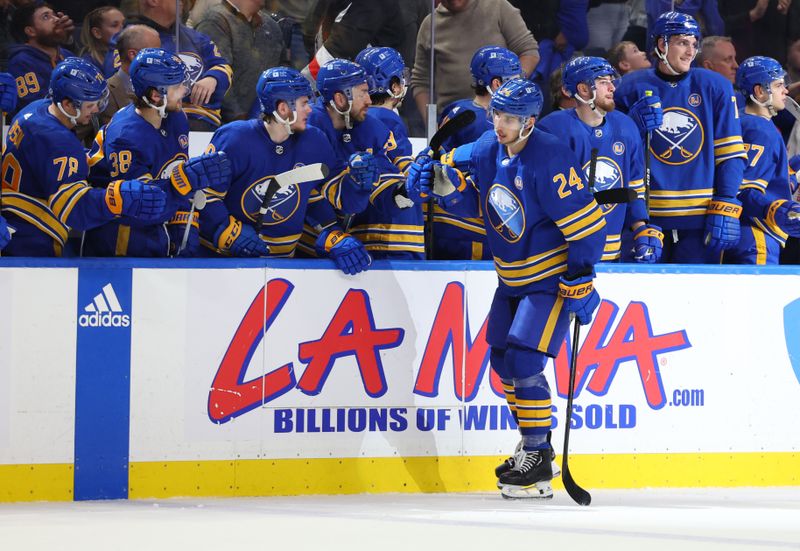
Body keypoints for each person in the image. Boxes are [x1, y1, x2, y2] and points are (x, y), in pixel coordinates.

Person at [406, 79, 607, 498]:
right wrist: (431, 172)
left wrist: (582, 277)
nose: (500, 124)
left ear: (530, 121)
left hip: (548, 281)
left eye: (511, 118)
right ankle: (537, 449)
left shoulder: (549, 157)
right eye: (497, 114)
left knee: (523, 359)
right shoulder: (486, 147)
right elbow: (453, 168)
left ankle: (536, 453)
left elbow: (587, 226)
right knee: (501, 360)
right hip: (509, 278)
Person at [200, 66, 371, 274]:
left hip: (285, 266)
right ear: (283, 108)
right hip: (222, 266)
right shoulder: (235, 139)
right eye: (304, 103)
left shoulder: (314, 141)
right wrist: (227, 231)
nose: (310, 109)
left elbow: (329, 198)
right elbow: (203, 196)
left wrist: (358, 185)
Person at [614, 11, 747, 263]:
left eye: (694, 44)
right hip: (647, 219)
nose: (690, 51)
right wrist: (630, 126)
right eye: (683, 43)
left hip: (702, 217)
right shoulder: (629, 87)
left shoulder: (714, 86)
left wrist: (727, 200)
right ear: (661, 44)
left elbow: (730, 153)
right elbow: (614, 154)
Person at [0, 57, 167, 257]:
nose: (96, 110)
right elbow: (73, 209)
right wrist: (116, 199)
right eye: (90, 105)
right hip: (32, 233)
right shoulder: (58, 142)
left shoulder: (36, 108)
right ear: (68, 105)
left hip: (13, 213)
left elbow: (45, 160)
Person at [85, 48, 230, 257]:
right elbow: (141, 206)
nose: (186, 91)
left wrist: (182, 223)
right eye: (179, 86)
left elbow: (175, 171)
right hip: (119, 235)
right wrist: (184, 181)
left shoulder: (176, 117)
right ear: (156, 95)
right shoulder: (125, 136)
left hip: (157, 226)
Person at [538, 56, 661, 263]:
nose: (612, 87)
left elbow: (634, 189)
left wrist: (641, 228)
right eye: (603, 82)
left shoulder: (626, 126)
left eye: (612, 81)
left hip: (611, 250)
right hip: (561, 254)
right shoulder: (553, 129)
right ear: (583, 89)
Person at [303, 58, 420, 259]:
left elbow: (387, 176)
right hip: (306, 237)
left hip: (342, 236)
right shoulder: (310, 128)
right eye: (363, 93)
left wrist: (406, 191)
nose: (368, 100)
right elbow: (301, 192)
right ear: (340, 99)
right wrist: (330, 232)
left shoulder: (370, 127)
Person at [429, 46, 523, 261]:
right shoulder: (477, 119)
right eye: (514, 79)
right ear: (497, 83)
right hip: (467, 226)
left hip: (466, 221)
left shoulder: (459, 110)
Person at [411, 0, 539, 123]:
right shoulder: (430, 25)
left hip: (500, 117)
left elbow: (529, 53)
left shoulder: (498, 7)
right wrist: (432, 126)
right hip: (452, 121)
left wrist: (509, 91)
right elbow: (421, 82)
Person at [724, 57, 800, 265]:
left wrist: (795, 167)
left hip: (740, 231)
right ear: (759, 92)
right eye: (778, 85)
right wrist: (778, 210)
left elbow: (769, 180)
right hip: (755, 233)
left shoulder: (746, 123)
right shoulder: (761, 130)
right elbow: (744, 189)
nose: (785, 91)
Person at [115, 0, 233, 131]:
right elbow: (123, 84)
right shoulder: (132, 39)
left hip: (204, 122)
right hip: (155, 122)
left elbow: (223, 66)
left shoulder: (197, 38)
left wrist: (213, 78)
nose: (182, 1)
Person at [194, 0, 286, 123]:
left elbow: (283, 70)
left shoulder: (271, 26)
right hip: (227, 125)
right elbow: (220, 77)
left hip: (269, 121)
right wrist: (240, 121)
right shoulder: (215, 22)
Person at [7, 3, 74, 115]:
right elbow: (38, 110)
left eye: (54, 14)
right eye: (46, 17)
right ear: (30, 31)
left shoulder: (67, 55)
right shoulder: (21, 62)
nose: (56, 19)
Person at [99, 24, 161, 127]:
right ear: (133, 55)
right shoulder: (105, 93)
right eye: (155, 52)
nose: (160, 58)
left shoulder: (163, 88)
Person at [79, 6, 125, 78]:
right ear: (97, 33)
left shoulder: (131, 52)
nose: (123, 29)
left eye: (124, 24)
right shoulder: (87, 64)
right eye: (115, 25)